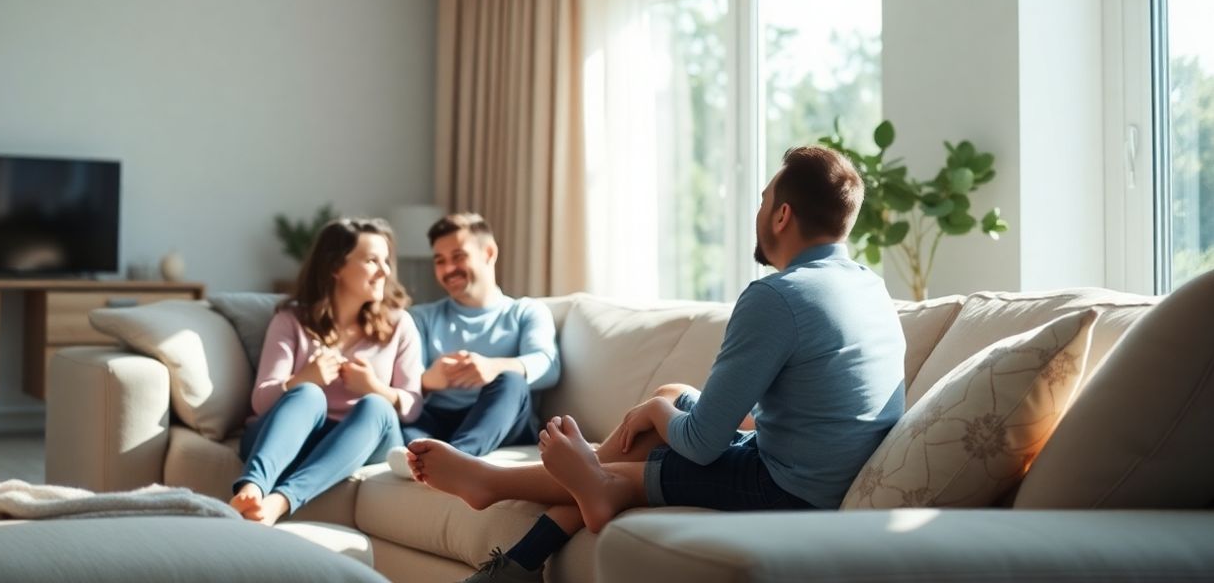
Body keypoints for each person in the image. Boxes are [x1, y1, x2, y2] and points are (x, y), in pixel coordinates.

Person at [406, 145, 907, 582]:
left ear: (782, 216)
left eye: (762, 200)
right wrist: (660, 406)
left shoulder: (777, 297)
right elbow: (822, 409)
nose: (758, 211)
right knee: (671, 392)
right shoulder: (868, 286)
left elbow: (702, 445)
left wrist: (650, 414)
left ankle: (501, 484)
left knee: (637, 454)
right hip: (822, 468)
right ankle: (528, 543)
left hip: (787, 489)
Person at [231, 217, 424, 525]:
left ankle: (278, 503)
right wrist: (304, 378)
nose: (385, 271)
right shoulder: (291, 321)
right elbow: (261, 402)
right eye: (372, 261)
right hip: (294, 434)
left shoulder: (400, 325)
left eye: (386, 261)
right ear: (336, 267)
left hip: (362, 438)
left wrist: (375, 387)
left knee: (377, 405)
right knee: (307, 394)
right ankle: (251, 489)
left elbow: (413, 408)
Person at [385, 212, 559, 477]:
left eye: (458, 257)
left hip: (501, 420)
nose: (448, 269)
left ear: (488, 253)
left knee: (511, 381)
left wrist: (493, 367)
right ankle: (427, 457)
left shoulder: (526, 311)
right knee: (406, 412)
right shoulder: (420, 318)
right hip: (438, 418)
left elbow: (549, 366)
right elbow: (400, 385)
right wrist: (429, 380)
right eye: (440, 261)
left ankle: (448, 459)